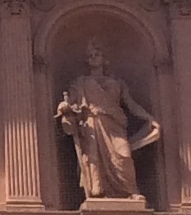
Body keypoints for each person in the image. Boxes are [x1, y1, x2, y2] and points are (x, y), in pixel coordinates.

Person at [56, 43, 160, 200]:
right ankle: (98, 192)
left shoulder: (117, 83)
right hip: (92, 124)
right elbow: (71, 105)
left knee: (123, 156)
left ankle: (130, 191)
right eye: (90, 56)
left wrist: (149, 118)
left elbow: (131, 104)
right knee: (94, 158)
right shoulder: (81, 83)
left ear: (104, 59)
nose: (93, 58)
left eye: (97, 54)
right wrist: (64, 107)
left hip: (115, 124)